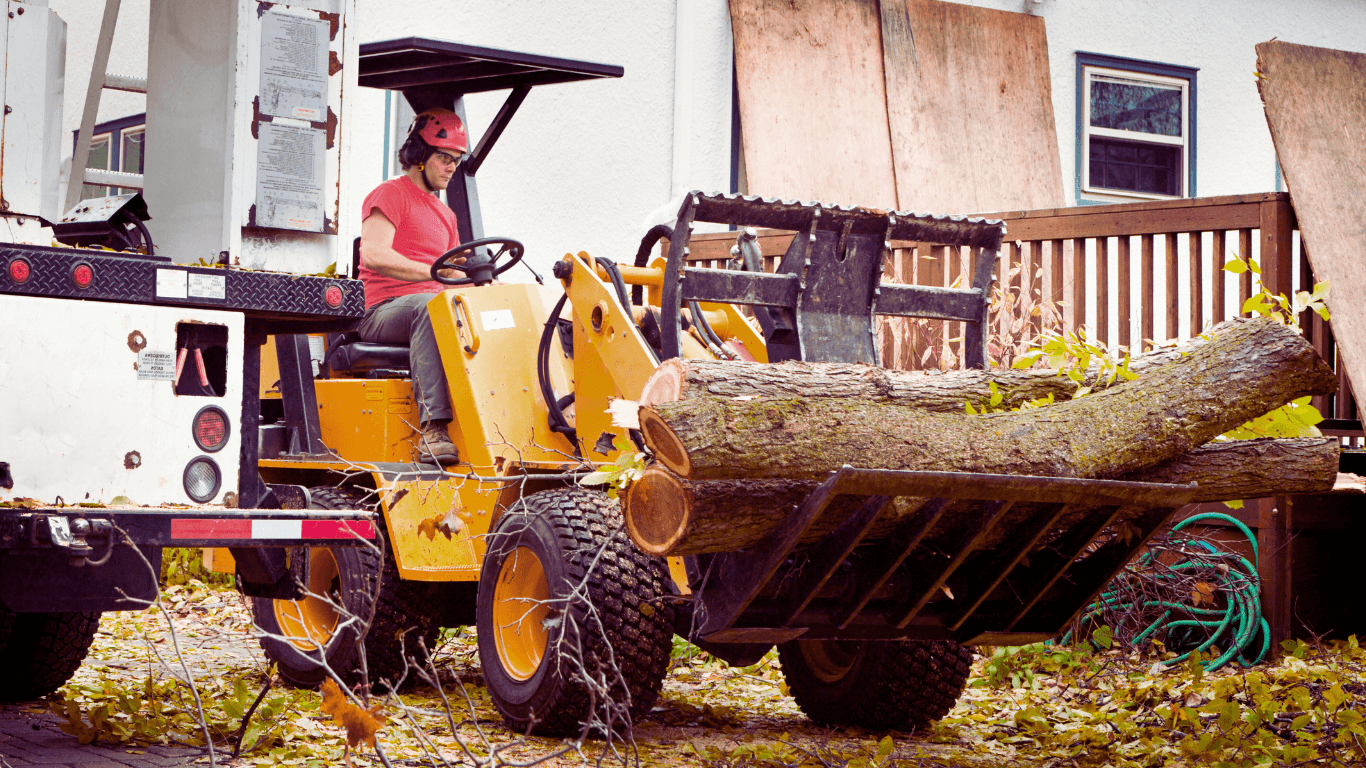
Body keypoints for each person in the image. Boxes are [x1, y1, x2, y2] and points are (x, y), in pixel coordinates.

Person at [356, 108, 468, 465]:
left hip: (432, 308)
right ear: (419, 156)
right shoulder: (390, 195)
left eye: (456, 160)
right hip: (381, 310)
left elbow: (451, 275)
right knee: (430, 307)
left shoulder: (446, 216)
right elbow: (373, 254)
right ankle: (433, 428)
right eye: (444, 158)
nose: (451, 167)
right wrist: (434, 275)